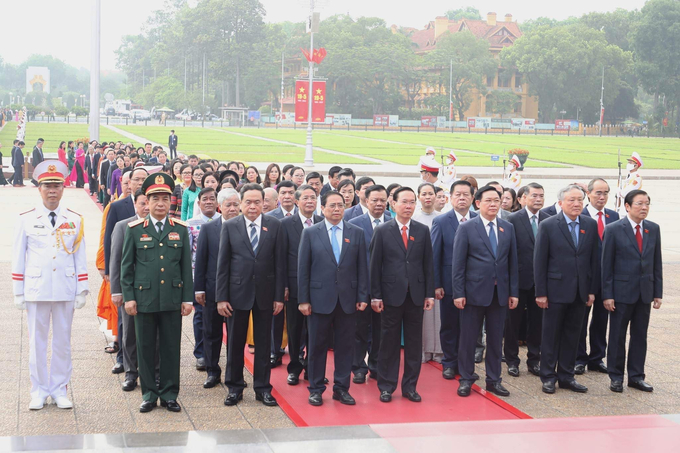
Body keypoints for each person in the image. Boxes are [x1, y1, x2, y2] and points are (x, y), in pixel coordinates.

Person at [13, 161, 88, 410]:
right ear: (39, 189)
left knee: (62, 342)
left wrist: (82, 288)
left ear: (63, 189)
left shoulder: (74, 220)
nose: (52, 190)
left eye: (56, 185)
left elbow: (79, 255)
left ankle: (59, 389)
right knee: (37, 342)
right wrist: (18, 291)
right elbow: (18, 256)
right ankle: (38, 390)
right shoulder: (26, 219)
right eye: (47, 186)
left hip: (65, 288)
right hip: (37, 289)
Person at [120, 172, 194, 413]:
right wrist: (129, 297)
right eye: (155, 199)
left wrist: (187, 298)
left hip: (172, 299)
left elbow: (185, 268)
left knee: (172, 348)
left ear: (171, 201)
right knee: (146, 348)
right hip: (144, 300)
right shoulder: (134, 229)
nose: (160, 204)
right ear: (147, 202)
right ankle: (150, 394)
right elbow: (126, 267)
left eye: (165, 199)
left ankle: (170, 394)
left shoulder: (181, 230)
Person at [216, 184, 285, 407]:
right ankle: (234, 387)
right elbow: (223, 265)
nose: (253, 206)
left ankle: (263, 388)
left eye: (258, 202)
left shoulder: (275, 225)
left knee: (264, 343)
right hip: (237, 293)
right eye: (248, 202)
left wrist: (278, 297)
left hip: (266, 294)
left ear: (264, 203)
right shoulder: (230, 226)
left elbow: (279, 264)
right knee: (235, 343)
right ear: (241, 203)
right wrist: (221, 297)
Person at [298, 191, 369, 406]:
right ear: (323, 208)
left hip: (348, 300)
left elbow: (362, 268)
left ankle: (341, 388)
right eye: (332, 205)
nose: (337, 209)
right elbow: (303, 269)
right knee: (317, 346)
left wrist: (362, 295)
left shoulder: (355, 233)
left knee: (345, 346)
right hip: (319, 299)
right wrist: (303, 299)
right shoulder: (311, 233)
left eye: (340, 205)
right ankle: (316, 388)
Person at [370, 187, 435, 403]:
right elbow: (375, 265)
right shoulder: (383, 230)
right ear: (393, 204)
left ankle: (410, 386)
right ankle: (386, 386)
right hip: (390, 295)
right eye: (404, 202)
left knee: (414, 343)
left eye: (412, 202)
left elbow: (428, 264)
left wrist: (429, 294)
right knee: (388, 342)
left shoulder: (422, 230)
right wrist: (376, 296)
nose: (408, 206)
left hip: (415, 296)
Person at [453, 185, 519, 398]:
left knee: (495, 339)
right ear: (478, 203)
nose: (493, 204)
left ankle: (494, 380)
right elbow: (458, 264)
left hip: (499, 294)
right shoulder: (467, 227)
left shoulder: (507, 228)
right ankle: (466, 378)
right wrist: (458, 293)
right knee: (468, 339)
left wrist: (513, 292)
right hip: (473, 293)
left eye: (496, 201)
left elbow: (512, 263)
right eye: (488, 200)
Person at [534, 184, 599, 395]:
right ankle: (548, 376)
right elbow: (539, 261)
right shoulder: (549, 224)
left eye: (580, 200)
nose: (576, 204)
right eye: (571, 200)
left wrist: (591, 290)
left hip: (580, 292)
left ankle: (566, 376)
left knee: (573, 335)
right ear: (561, 203)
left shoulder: (589, 225)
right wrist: (541, 292)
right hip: (554, 291)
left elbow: (593, 261)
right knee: (551, 335)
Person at [602, 190, 662, 393]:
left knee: (640, 336)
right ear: (627, 206)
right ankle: (616, 376)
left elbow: (656, 262)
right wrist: (607, 294)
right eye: (639, 204)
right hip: (620, 293)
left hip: (644, 292)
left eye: (647, 204)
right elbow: (606, 265)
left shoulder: (653, 229)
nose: (644, 208)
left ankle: (636, 376)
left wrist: (657, 292)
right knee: (617, 336)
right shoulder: (614, 229)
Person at [195, 188, 241, 389]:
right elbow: (201, 260)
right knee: (211, 332)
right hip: (212, 290)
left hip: (238, 291)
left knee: (235, 335)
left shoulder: (244, 227)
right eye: (228, 205)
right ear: (219, 207)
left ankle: (234, 373)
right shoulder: (209, 228)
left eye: (235, 204)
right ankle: (213, 371)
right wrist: (199, 289)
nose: (232, 208)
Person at [431, 180, 476, 380]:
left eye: (466, 194)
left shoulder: (478, 218)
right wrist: (437, 283)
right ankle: (449, 362)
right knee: (449, 325)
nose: (462, 198)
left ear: (473, 198)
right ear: (450, 198)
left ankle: (467, 364)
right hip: (449, 284)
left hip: (475, 283)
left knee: (470, 326)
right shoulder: (441, 221)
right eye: (458, 194)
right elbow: (435, 255)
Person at [280, 185, 325, 386]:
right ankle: (295, 368)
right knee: (295, 329)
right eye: (305, 198)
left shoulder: (324, 223)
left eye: (313, 197)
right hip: (295, 287)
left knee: (316, 331)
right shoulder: (285, 224)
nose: (309, 201)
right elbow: (281, 258)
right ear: (297, 202)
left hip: (320, 288)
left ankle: (312, 369)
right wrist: (285, 286)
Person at [575, 178, 620, 375]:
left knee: (601, 320)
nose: (602, 197)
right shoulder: (580, 215)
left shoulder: (614, 216)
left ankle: (596, 357)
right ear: (589, 194)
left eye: (605, 193)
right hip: (584, 278)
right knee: (580, 320)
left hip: (607, 278)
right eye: (598, 193)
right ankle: (578, 358)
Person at [109, 189, 153, 392]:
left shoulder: (161, 226)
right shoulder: (122, 226)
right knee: (129, 333)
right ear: (135, 204)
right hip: (131, 290)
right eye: (142, 203)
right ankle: (130, 372)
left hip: (155, 291)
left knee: (156, 334)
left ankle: (153, 372)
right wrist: (117, 291)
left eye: (148, 203)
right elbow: (116, 260)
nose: (146, 207)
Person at [348, 185, 392, 383]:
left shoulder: (393, 222)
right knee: (359, 328)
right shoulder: (354, 224)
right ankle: (358, 366)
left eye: (383, 200)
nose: (379, 204)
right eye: (375, 200)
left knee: (381, 329)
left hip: (386, 287)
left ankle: (376, 364)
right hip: (361, 285)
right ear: (366, 201)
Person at [504, 182, 548, 378]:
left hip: (540, 283)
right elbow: (507, 254)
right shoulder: (512, 220)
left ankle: (534, 359)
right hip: (518, 281)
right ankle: (512, 360)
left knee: (537, 323)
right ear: (522, 199)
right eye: (534, 196)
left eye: (541, 196)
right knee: (513, 324)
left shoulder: (548, 220)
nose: (538, 199)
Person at [186, 187, 221, 372]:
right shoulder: (190, 224)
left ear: (217, 202)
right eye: (204, 199)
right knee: (200, 315)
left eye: (212, 198)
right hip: (198, 277)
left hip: (220, 279)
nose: (208, 202)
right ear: (198, 203)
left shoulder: (225, 221)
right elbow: (188, 252)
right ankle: (201, 353)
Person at [412, 183, 442, 363]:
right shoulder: (413, 218)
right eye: (424, 194)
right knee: (421, 316)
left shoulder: (442, 218)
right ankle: (422, 351)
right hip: (418, 273)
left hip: (436, 272)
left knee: (438, 315)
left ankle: (438, 350)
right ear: (419, 196)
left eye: (431, 193)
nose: (428, 197)